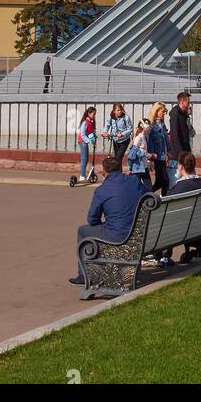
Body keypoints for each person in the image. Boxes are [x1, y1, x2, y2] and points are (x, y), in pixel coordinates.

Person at [70, 155, 151, 285]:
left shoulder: (102, 190)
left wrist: (102, 224)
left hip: (118, 236)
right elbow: (148, 196)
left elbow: (92, 219)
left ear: (104, 172)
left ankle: (84, 275)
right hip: (140, 234)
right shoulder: (134, 181)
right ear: (121, 168)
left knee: (83, 231)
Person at [168, 91, 194, 190]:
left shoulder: (183, 113)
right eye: (188, 102)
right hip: (177, 150)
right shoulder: (175, 113)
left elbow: (187, 130)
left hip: (184, 146)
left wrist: (188, 115)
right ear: (182, 102)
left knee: (184, 172)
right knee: (176, 174)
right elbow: (175, 134)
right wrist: (180, 153)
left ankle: (182, 189)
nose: (189, 104)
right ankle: (172, 191)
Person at [147, 102, 170, 193]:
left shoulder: (162, 124)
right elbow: (150, 142)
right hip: (158, 156)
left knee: (160, 181)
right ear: (156, 112)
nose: (163, 114)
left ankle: (148, 195)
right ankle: (164, 198)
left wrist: (169, 151)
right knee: (164, 180)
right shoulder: (152, 126)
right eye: (162, 111)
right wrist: (152, 155)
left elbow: (166, 140)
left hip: (163, 155)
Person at [126, 119, 152, 184]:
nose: (150, 129)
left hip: (144, 166)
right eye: (148, 127)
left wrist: (148, 161)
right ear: (144, 127)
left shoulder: (145, 137)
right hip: (137, 167)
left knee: (149, 188)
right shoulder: (138, 138)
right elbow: (133, 153)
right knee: (136, 186)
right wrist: (146, 154)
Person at [77, 106, 98, 183]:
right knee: (84, 159)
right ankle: (82, 175)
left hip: (85, 141)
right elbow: (82, 134)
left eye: (95, 114)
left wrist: (94, 139)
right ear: (89, 113)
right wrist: (89, 141)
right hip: (82, 141)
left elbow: (91, 132)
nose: (94, 116)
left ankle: (83, 174)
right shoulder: (85, 122)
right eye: (93, 114)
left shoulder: (91, 122)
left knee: (86, 159)